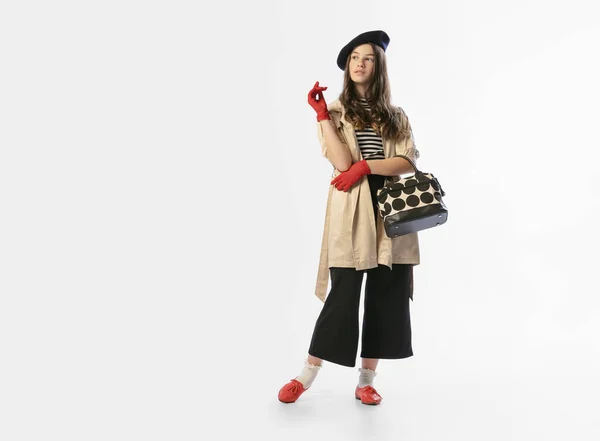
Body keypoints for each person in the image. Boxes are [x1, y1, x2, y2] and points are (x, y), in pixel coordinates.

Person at [277, 30, 421, 406]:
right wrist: (322, 114)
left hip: (390, 209)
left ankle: (367, 380)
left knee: (386, 295)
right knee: (343, 292)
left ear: (379, 66)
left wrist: (365, 167)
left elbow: (406, 161)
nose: (360, 63)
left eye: (368, 58)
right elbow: (341, 163)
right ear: (347, 66)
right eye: (355, 57)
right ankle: (307, 373)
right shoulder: (336, 113)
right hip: (353, 209)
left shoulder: (396, 115)